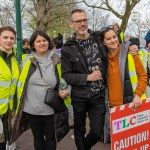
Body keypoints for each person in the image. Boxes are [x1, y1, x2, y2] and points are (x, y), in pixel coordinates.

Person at [9, 30, 71, 150]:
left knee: (50, 137)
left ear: (48, 42)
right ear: (33, 44)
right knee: (37, 137)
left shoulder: (57, 60)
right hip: (32, 108)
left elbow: (67, 79)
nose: (42, 43)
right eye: (38, 41)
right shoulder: (26, 61)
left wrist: (67, 90)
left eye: (44, 40)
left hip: (51, 108)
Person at [61, 9, 108, 150]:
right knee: (79, 130)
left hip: (98, 96)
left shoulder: (98, 38)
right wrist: (88, 77)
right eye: (78, 21)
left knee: (97, 131)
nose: (82, 24)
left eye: (84, 20)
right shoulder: (67, 48)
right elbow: (66, 75)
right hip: (79, 96)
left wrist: (132, 45)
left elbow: (114, 42)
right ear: (72, 25)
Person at [100, 26, 147, 110]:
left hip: (131, 104)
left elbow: (143, 76)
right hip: (111, 107)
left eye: (114, 37)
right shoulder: (102, 59)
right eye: (108, 39)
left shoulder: (130, 53)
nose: (113, 40)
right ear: (103, 42)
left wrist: (138, 95)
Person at [0, 26, 19, 150]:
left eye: (12, 38)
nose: (9, 40)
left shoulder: (14, 59)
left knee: (4, 142)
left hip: (8, 111)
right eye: (5, 37)